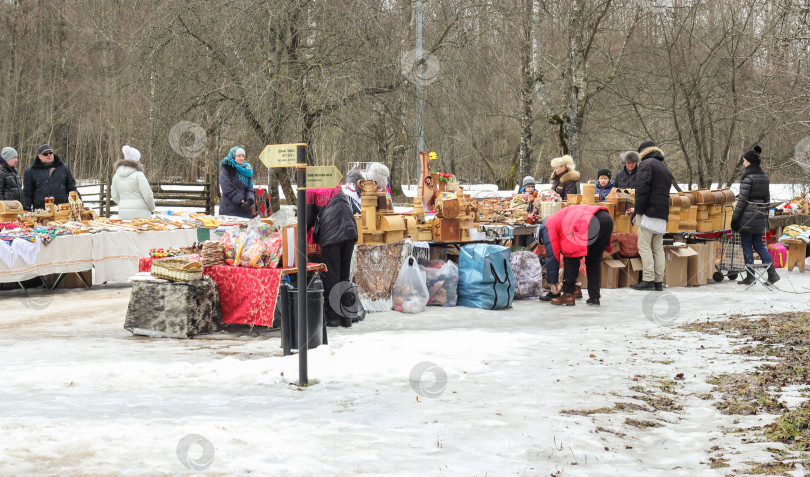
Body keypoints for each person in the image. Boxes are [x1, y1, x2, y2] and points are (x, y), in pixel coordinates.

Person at [535, 204, 614, 306]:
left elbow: (552, 256)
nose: (544, 242)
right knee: (593, 261)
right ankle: (594, 297)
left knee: (570, 255)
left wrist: (552, 283)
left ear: (540, 236)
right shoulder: (559, 218)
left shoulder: (546, 226)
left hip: (590, 221)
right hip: (606, 219)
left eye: (543, 242)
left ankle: (568, 294)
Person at [307, 185, 358, 327]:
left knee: (331, 275)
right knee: (343, 275)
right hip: (350, 230)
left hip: (332, 234)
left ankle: (333, 317)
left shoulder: (310, 189)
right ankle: (346, 317)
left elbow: (307, 219)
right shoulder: (335, 184)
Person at [731, 146, 780, 285]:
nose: (743, 163)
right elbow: (767, 200)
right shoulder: (764, 176)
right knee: (759, 244)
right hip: (759, 216)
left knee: (746, 245)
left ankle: (750, 276)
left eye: (744, 160)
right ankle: (772, 273)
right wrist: (764, 217)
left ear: (750, 161)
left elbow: (742, 200)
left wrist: (735, 219)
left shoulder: (747, 177)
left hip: (747, 217)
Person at [629, 141, 673, 291]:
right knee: (658, 248)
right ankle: (658, 281)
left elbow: (642, 190)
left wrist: (638, 211)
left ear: (643, 151)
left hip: (648, 212)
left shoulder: (646, 164)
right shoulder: (664, 167)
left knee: (644, 247)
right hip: (662, 213)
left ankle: (647, 278)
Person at [22, 144, 79, 211]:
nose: (49, 155)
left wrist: (78, 203)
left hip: (62, 209)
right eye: (45, 154)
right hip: (41, 211)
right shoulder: (30, 171)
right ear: (40, 156)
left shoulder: (63, 167)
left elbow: (71, 187)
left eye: (50, 153)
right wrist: (26, 210)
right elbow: (27, 194)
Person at [110, 145, 155, 220]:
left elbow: (114, 196)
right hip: (141, 215)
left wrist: (123, 205)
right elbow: (148, 195)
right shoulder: (139, 175)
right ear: (137, 160)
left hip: (123, 214)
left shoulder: (116, 176)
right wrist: (151, 208)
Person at [219, 146, 255, 218]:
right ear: (233, 156)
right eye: (238, 156)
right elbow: (226, 187)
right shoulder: (227, 167)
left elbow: (250, 187)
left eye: (243, 156)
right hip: (229, 208)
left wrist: (249, 200)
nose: (241, 158)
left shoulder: (247, 169)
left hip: (244, 209)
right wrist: (240, 200)